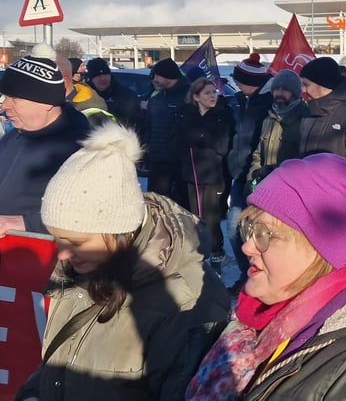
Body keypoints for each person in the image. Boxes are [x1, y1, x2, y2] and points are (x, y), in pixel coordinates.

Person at [187, 153, 346, 400]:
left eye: (265, 234)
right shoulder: (260, 318)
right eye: (249, 229)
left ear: (321, 250)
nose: (248, 247)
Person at [16, 123, 230, 400]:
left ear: (121, 231)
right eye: (58, 239)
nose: (63, 255)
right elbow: (58, 364)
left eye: (77, 242)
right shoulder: (83, 268)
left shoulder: (188, 304)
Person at [0, 44, 90, 236]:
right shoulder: (14, 135)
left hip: (44, 257)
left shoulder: (81, 148)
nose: (5, 105)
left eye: (14, 98)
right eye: (5, 96)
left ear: (46, 103)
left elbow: (96, 213)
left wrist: (28, 223)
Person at [176, 77, 234, 275]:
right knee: (195, 217)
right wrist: (199, 137)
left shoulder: (222, 115)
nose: (212, 96)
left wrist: (200, 137)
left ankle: (216, 255)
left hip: (214, 174)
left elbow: (222, 145)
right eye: (207, 93)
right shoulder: (186, 114)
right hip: (191, 173)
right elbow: (181, 139)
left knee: (211, 219)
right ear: (196, 97)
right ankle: (200, 255)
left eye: (214, 92)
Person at [226, 53, 273, 293]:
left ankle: (265, 276)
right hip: (239, 174)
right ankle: (248, 275)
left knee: (259, 230)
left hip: (260, 177)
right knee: (234, 228)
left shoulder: (268, 104)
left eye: (238, 79)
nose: (235, 83)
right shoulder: (240, 101)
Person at [247, 69, 309, 186]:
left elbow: (304, 160)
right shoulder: (269, 119)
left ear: (295, 93)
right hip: (264, 186)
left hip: (290, 188)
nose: (279, 93)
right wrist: (251, 181)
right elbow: (258, 155)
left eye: (285, 89)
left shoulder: (305, 119)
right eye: (276, 89)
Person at [144, 58, 190, 206]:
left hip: (179, 167)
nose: (154, 79)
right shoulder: (157, 98)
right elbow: (149, 128)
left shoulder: (188, 97)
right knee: (156, 207)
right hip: (157, 164)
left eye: (157, 75)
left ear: (169, 76)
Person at [85, 57, 143, 132]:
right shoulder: (84, 95)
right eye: (98, 76)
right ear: (91, 78)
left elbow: (134, 122)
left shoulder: (125, 95)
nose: (103, 78)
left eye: (105, 74)